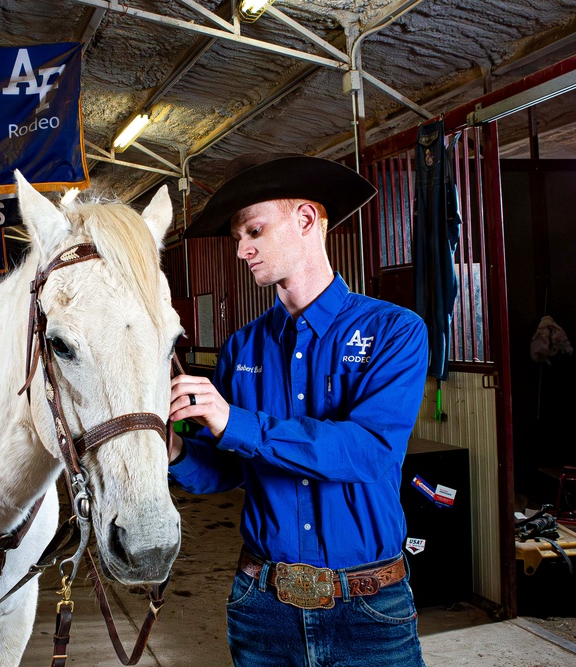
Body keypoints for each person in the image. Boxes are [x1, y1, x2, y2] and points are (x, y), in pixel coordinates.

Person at [168, 154, 429, 667]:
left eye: (254, 231)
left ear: (307, 220)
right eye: (238, 237)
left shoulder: (395, 332)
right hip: (262, 605)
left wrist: (234, 421)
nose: (242, 250)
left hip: (370, 607)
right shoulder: (242, 349)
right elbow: (224, 469)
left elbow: (368, 451)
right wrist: (173, 447)